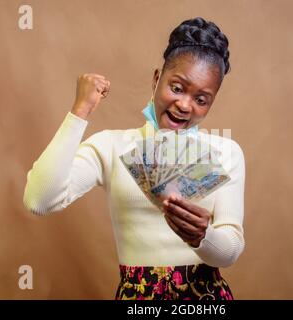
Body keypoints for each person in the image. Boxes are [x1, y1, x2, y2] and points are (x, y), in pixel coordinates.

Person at [23, 17, 246, 300]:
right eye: (177, 88)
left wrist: (203, 237)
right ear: (156, 80)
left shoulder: (226, 153)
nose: (185, 105)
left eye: (201, 99)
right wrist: (79, 112)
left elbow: (230, 252)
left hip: (206, 299)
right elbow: (39, 200)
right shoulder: (112, 147)